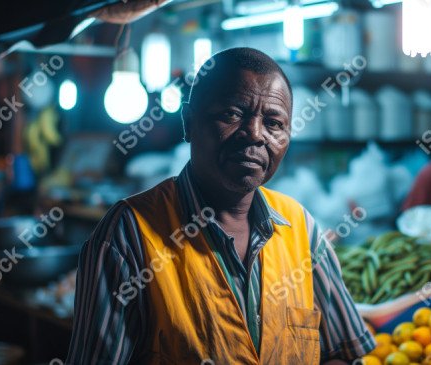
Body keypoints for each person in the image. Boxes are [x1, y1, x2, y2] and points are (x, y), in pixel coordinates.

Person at [67, 48, 374, 364]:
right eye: (231, 114)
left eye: (274, 122)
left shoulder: (301, 227)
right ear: (188, 122)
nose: (254, 134)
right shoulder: (128, 233)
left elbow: (343, 351)